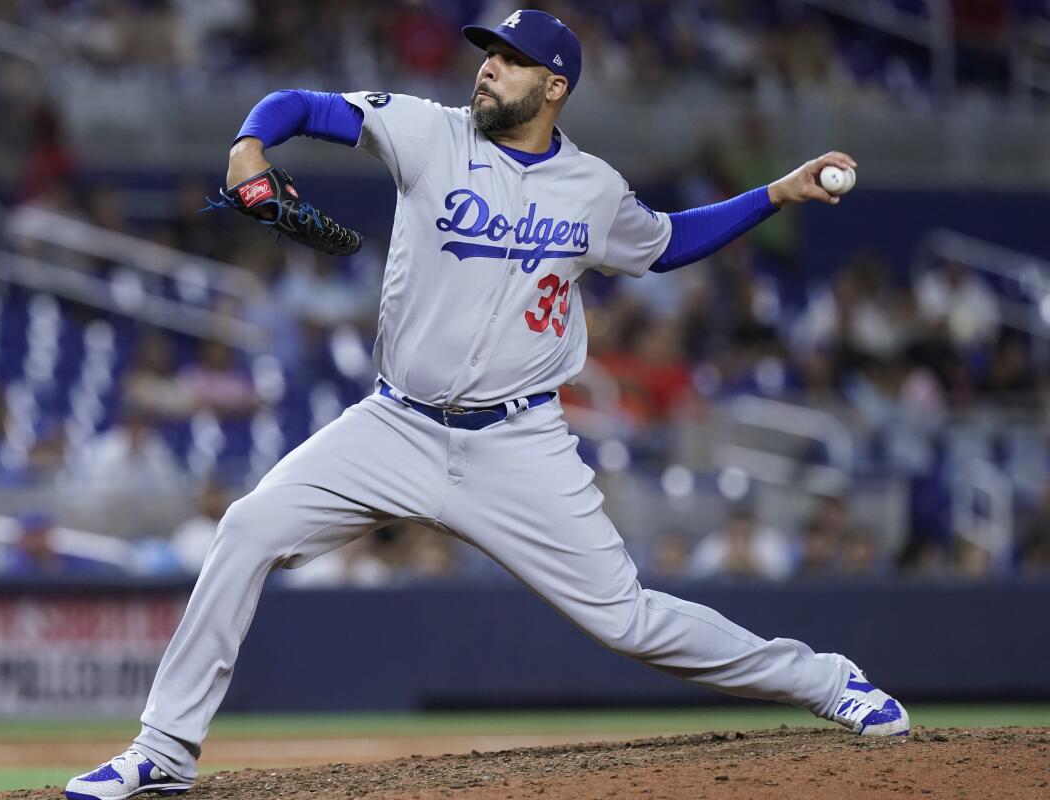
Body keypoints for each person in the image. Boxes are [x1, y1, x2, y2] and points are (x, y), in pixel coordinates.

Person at [66, 10, 907, 799]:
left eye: (510, 61)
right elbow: (304, 106)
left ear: (554, 87)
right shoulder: (428, 132)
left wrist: (776, 194)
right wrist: (250, 145)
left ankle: (830, 681)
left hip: (518, 441)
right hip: (395, 425)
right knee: (247, 529)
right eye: (487, 55)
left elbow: (667, 243)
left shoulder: (592, 188)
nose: (489, 69)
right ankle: (164, 753)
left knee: (628, 621)